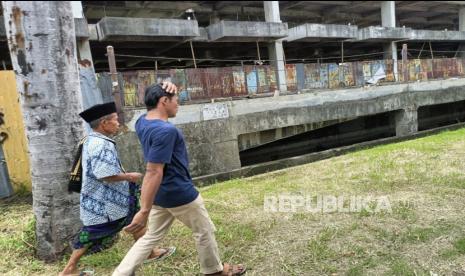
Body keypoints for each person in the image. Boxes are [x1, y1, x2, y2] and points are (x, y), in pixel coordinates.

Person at [112, 84, 246, 276]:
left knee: (150, 237)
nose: (178, 105)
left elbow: (154, 173)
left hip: (160, 194)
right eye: (176, 100)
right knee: (204, 231)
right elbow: (153, 171)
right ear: (164, 101)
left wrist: (164, 83)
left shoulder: (142, 122)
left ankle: (120, 273)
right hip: (179, 193)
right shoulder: (166, 131)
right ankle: (214, 271)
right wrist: (144, 210)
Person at [60, 92, 177, 276]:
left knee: (135, 221)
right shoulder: (101, 145)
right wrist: (130, 176)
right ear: (103, 123)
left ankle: (149, 252)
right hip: (104, 205)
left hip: (114, 200)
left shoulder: (92, 139)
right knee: (89, 234)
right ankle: (69, 269)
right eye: (115, 119)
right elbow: (104, 174)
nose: (118, 123)